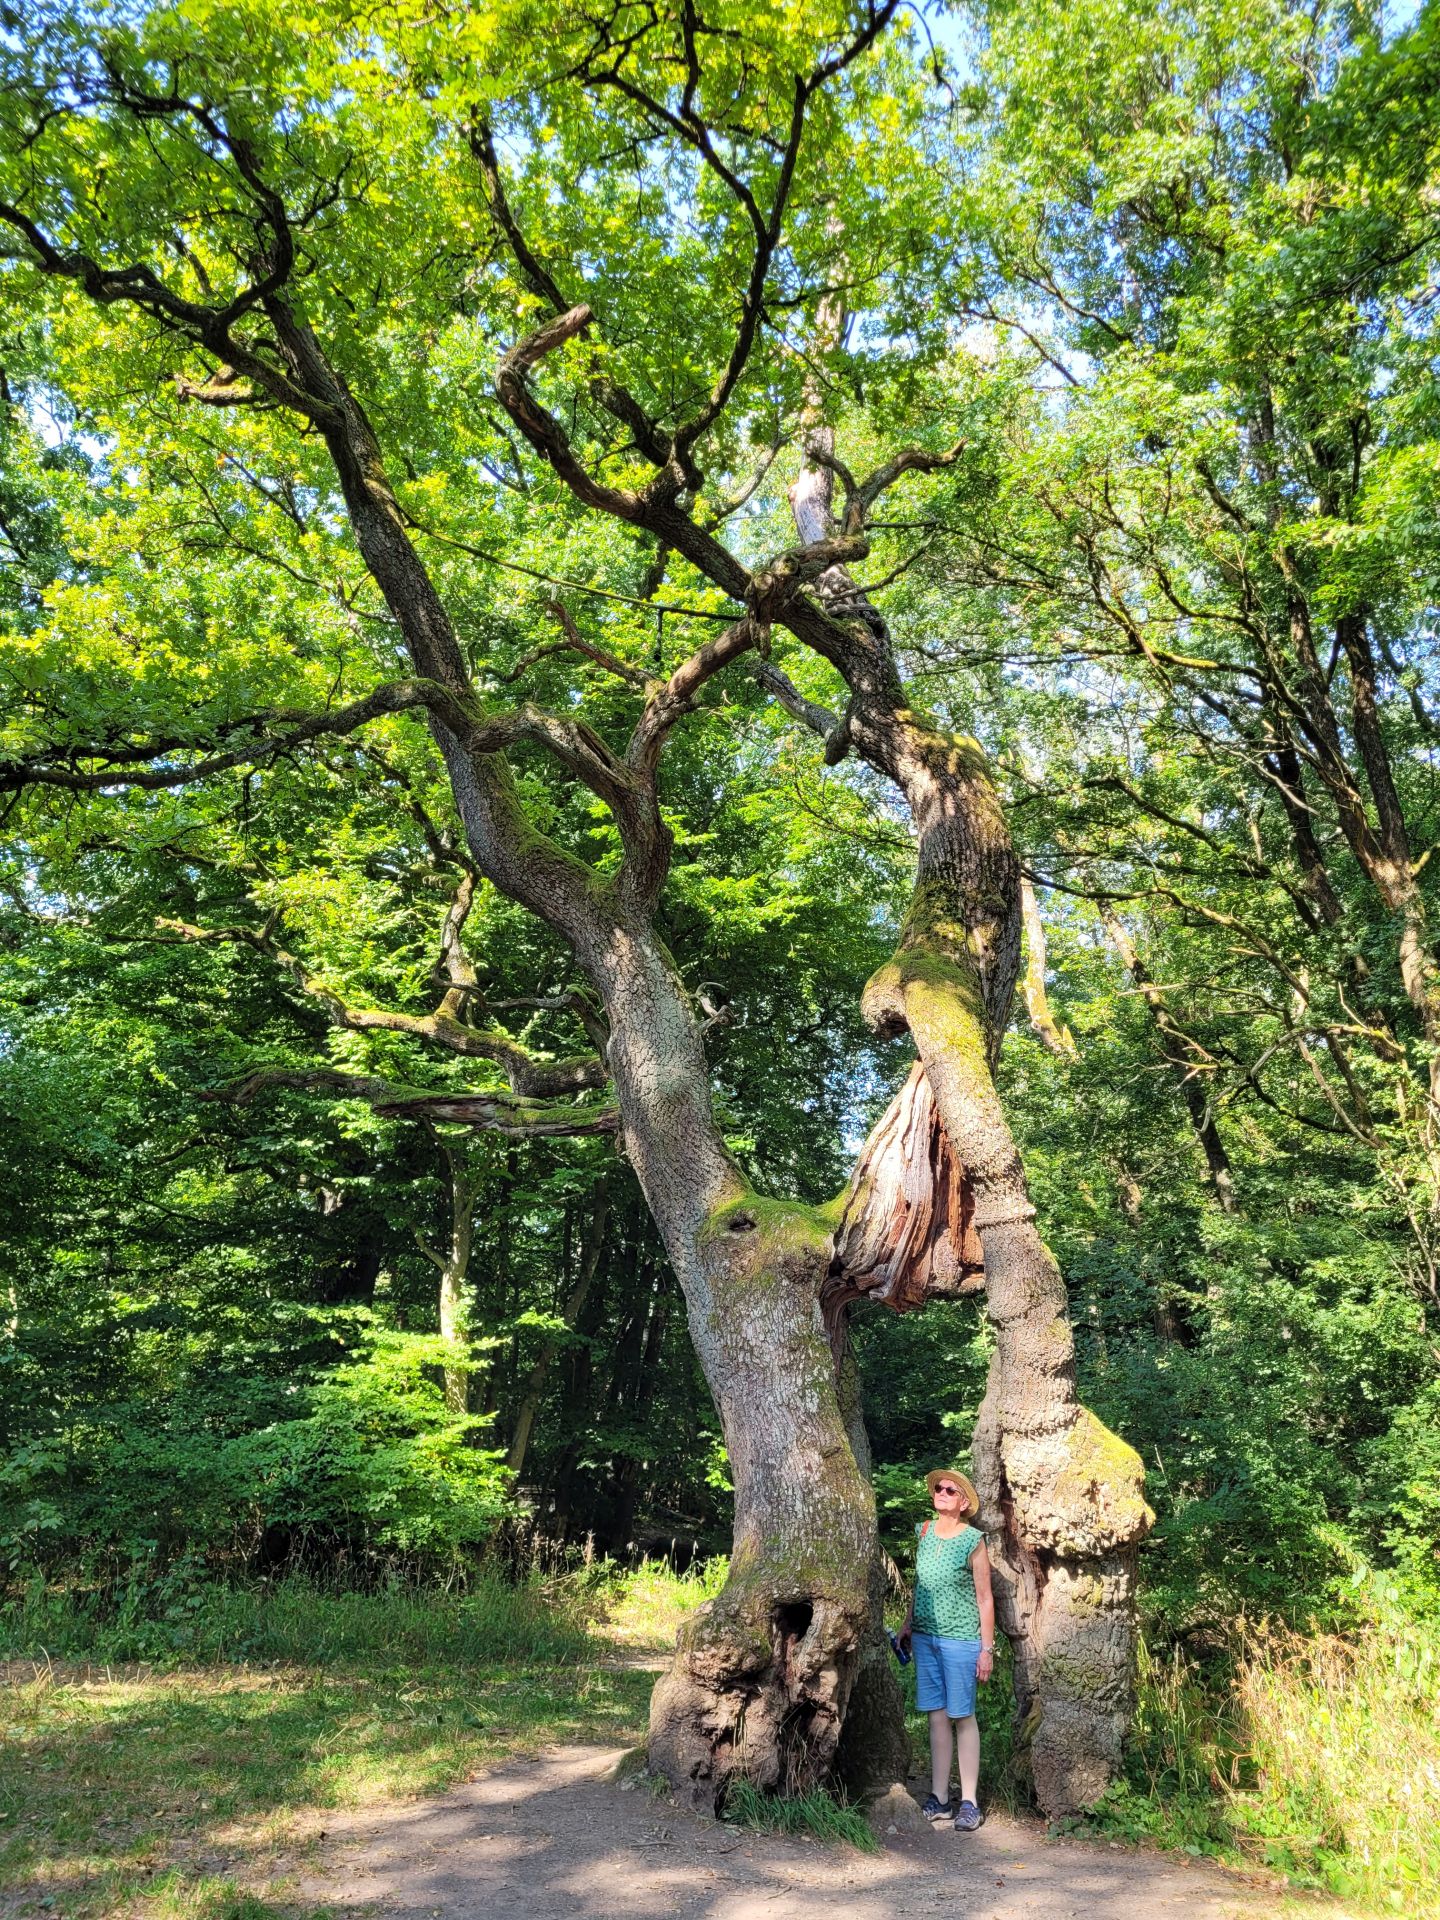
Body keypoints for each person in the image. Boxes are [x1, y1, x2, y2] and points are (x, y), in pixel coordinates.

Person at [897, 1466, 995, 1832]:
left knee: (962, 1716)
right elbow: (920, 1585)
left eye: (951, 1490)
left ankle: (969, 1802)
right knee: (936, 1717)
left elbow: (985, 1598)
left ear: (964, 1502)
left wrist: (987, 1649)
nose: (942, 1492)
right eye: (939, 1488)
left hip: (961, 1639)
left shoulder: (973, 1540)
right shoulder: (923, 1531)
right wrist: (908, 1623)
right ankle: (939, 1799)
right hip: (925, 1639)